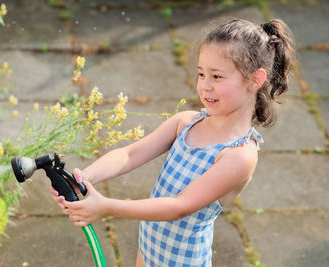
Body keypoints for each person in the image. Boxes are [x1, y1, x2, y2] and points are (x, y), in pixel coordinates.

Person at [50, 18, 296, 266]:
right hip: (149, 249)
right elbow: (131, 154)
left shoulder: (239, 156)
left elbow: (179, 206)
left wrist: (105, 207)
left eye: (217, 76)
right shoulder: (186, 122)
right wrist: (83, 178)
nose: (205, 86)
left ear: (255, 80)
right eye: (201, 74)